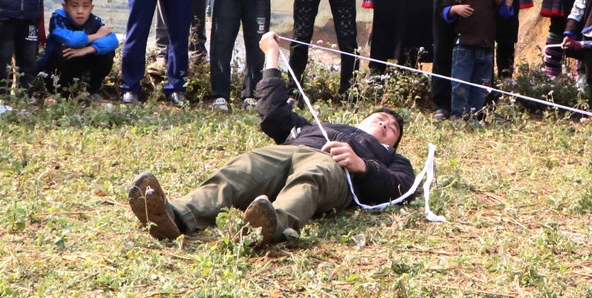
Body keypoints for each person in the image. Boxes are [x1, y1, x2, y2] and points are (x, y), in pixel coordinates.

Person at [125, 32, 415, 245]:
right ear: (360, 119)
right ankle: (175, 214)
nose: (385, 121)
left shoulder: (390, 157)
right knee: (242, 168)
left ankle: (274, 224)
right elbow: (272, 114)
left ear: (390, 143)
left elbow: (402, 186)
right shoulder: (312, 126)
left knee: (314, 174)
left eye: (391, 128)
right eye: (380, 116)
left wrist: (361, 165)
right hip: (289, 152)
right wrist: (272, 56)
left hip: (334, 171)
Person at [445, 0, 516, 120]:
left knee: (482, 86)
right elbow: (444, 12)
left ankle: (474, 117)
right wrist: (455, 10)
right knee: (460, 84)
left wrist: (509, 2)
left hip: (486, 48)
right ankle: (458, 116)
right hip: (463, 47)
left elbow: (503, 15)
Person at [37, 0, 120, 98]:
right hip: (57, 67)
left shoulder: (95, 21)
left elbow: (113, 41)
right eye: (74, 6)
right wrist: (96, 36)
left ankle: (90, 91)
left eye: (85, 6)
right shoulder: (58, 19)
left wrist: (88, 49)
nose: (80, 11)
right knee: (63, 51)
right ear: (65, 6)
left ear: (91, 7)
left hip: (83, 63)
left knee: (107, 53)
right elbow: (72, 40)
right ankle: (58, 93)